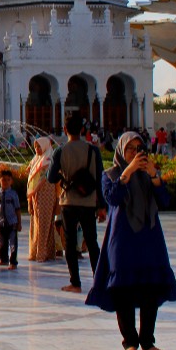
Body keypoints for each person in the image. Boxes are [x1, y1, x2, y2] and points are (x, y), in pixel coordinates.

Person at [86, 132, 176, 350]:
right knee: (123, 290)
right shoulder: (111, 174)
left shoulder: (149, 174)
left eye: (139, 148)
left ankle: (147, 340)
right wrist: (127, 172)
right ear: (121, 151)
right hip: (122, 239)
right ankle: (130, 341)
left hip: (149, 237)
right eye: (130, 148)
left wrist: (154, 176)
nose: (135, 153)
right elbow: (112, 198)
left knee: (150, 288)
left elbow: (165, 200)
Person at [48, 116, 105, 293]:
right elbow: (100, 179)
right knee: (92, 241)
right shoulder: (93, 151)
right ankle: (99, 281)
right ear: (82, 130)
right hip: (88, 202)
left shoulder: (60, 151)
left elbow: (50, 177)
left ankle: (75, 283)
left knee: (70, 243)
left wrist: (64, 177)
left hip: (69, 202)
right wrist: (101, 205)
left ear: (65, 130)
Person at [26, 137, 57, 262]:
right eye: (36, 147)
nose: (37, 149)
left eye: (39, 147)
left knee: (44, 222)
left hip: (46, 194)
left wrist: (33, 191)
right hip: (36, 194)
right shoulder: (37, 160)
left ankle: (42, 252)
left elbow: (45, 178)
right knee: (36, 222)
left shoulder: (49, 160)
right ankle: (35, 251)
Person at [0, 169, 21, 269]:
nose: (5, 182)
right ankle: (3, 259)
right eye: (3, 180)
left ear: (11, 181)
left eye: (8, 180)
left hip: (12, 222)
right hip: (2, 222)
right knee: (3, 242)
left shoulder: (13, 194)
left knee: (13, 243)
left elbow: (18, 209)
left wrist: (19, 223)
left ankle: (13, 262)